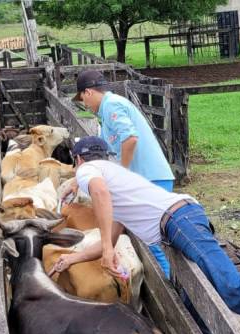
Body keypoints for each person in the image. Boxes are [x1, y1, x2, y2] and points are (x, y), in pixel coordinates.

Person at [52, 136, 240, 334]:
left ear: (78, 159)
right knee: (192, 303)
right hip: (181, 219)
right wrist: (73, 258)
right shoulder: (115, 181)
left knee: (228, 285)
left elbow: (99, 194)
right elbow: (110, 236)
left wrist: (108, 250)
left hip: (178, 220)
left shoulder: (87, 171)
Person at [72, 69, 174, 276]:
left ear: (88, 92)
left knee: (153, 243)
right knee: (153, 241)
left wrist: (123, 174)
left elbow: (130, 138)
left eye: (83, 99)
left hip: (149, 178)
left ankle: (171, 287)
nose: (85, 104)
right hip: (148, 178)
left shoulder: (111, 105)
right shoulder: (106, 111)